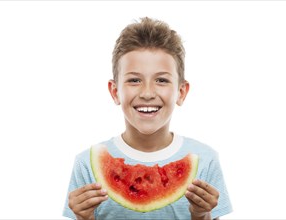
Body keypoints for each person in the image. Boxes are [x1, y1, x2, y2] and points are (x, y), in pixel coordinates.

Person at [63, 17, 232, 220]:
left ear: (181, 92)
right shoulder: (86, 163)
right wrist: (84, 218)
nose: (147, 93)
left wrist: (201, 215)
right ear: (115, 91)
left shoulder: (204, 160)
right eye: (134, 80)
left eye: (161, 80)